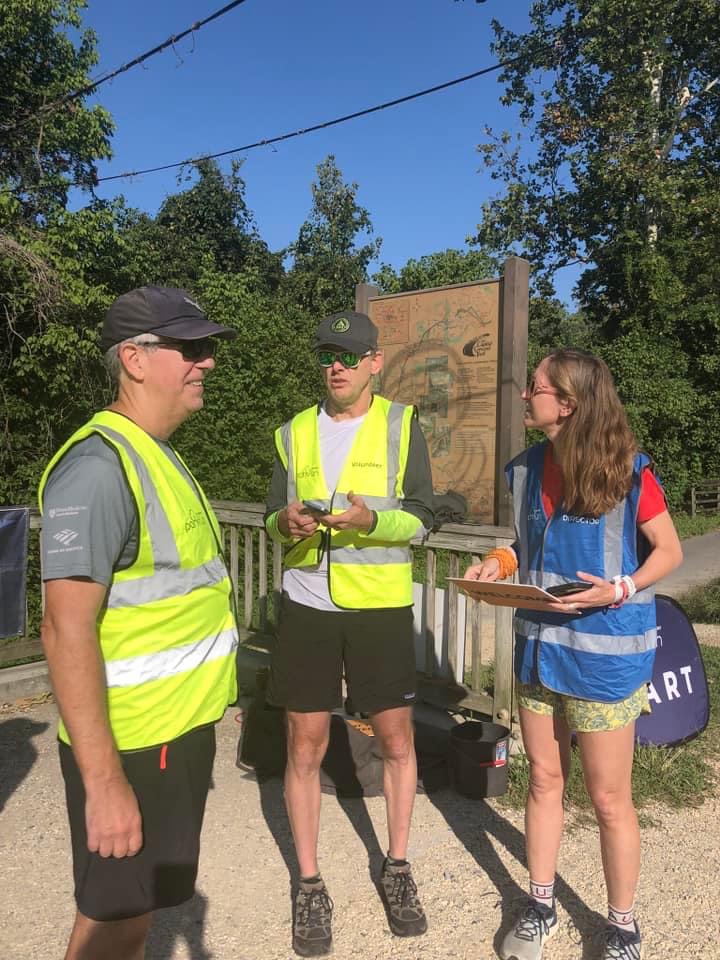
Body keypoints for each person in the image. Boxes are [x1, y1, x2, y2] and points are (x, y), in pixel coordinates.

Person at [39, 286, 240, 960]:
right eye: (192, 348)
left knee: (137, 911)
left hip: (172, 735)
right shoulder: (99, 468)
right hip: (134, 745)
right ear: (134, 358)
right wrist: (104, 784)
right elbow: (64, 630)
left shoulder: (154, 451)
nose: (207, 363)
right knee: (115, 918)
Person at [464, 348, 682, 960]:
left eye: (536, 386)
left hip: (606, 662)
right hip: (537, 652)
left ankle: (622, 927)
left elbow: (668, 552)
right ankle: (539, 906)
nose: (525, 393)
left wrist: (621, 588)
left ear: (568, 403)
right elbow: (525, 541)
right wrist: (500, 562)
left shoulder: (631, 471)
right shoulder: (524, 469)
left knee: (610, 799)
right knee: (543, 780)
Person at [264, 310, 435, 957]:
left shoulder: (401, 424)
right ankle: (308, 882)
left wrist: (371, 522)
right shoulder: (292, 433)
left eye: (348, 354)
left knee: (395, 739)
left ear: (374, 361)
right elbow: (269, 518)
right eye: (327, 354)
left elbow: (421, 516)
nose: (334, 364)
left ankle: (396, 867)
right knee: (304, 743)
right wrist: (287, 524)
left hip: (379, 607)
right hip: (306, 603)